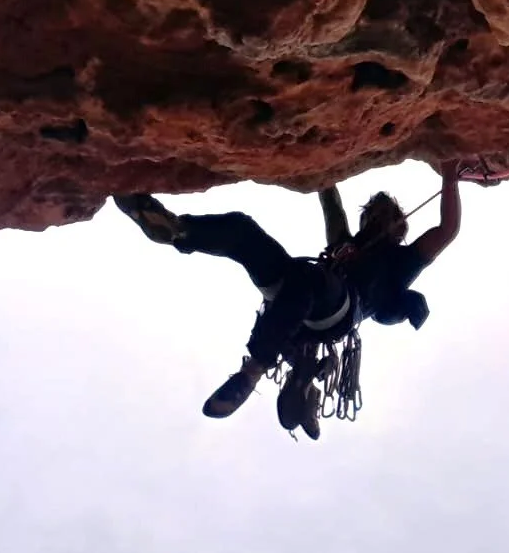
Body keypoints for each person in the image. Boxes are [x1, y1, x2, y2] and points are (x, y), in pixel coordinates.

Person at [113, 165, 462, 433]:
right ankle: (176, 230)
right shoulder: (345, 242)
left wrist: (450, 174)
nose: (376, 219)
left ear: (400, 228)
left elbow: (447, 230)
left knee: (309, 281)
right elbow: (329, 196)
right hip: (296, 288)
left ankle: (253, 371)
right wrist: (324, 159)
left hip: (336, 307)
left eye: (385, 217)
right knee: (242, 231)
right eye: (372, 214)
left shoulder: (402, 261)